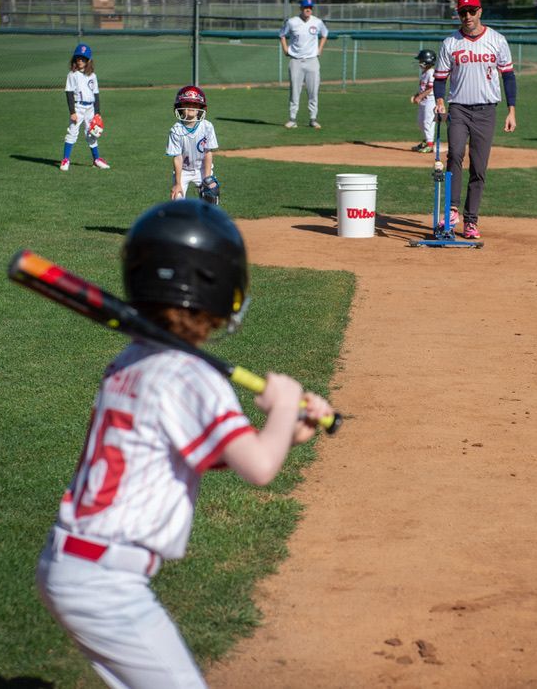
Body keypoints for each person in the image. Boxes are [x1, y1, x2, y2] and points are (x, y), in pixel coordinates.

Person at [35, 198, 334, 689]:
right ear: (221, 288)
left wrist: (287, 432)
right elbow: (259, 469)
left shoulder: (131, 360)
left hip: (75, 564)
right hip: (105, 582)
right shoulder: (192, 376)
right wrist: (282, 406)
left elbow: (200, 453)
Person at [433, 0, 517, 241]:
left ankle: (471, 221)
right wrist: (439, 100)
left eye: (471, 11)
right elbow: (440, 78)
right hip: (458, 108)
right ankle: (452, 210)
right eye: (462, 12)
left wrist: (511, 110)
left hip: (486, 110)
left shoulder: (497, 40)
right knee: (455, 153)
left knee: (479, 167)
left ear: (480, 11)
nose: (467, 16)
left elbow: (508, 77)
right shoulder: (450, 42)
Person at [166, 86, 220, 205]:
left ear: (201, 108)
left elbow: (207, 153)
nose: (191, 107)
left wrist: (207, 178)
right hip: (183, 171)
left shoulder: (207, 127)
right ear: (180, 108)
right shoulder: (176, 130)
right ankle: (181, 223)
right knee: (177, 199)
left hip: (202, 168)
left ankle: (207, 223)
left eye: (195, 104)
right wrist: (178, 183)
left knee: (210, 196)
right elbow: (177, 158)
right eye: (187, 104)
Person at [279, 0, 328, 129]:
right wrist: (285, 49)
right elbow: (282, 34)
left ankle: (313, 119)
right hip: (296, 61)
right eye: (306, 7)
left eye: (310, 7)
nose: (308, 9)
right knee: (295, 91)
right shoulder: (292, 22)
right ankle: (292, 119)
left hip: (312, 61)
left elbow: (325, 34)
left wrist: (320, 49)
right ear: (301, 8)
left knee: (313, 92)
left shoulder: (317, 22)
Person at [60, 43, 109, 171]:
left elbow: (96, 94)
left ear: (88, 60)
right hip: (78, 107)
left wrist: (97, 113)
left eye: (83, 58)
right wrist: (72, 111)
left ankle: (96, 159)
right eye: (78, 58)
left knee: (91, 133)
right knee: (72, 133)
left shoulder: (92, 75)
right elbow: (69, 93)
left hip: (90, 109)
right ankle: (65, 159)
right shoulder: (72, 75)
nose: (80, 60)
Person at [410, 49, 437, 153]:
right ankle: (426, 141)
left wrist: (420, 97)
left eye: (421, 60)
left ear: (427, 61)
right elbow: (423, 88)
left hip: (430, 101)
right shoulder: (424, 73)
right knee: (420, 122)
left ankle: (430, 144)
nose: (419, 63)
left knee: (427, 122)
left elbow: (430, 88)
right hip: (424, 101)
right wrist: (417, 95)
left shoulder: (431, 73)